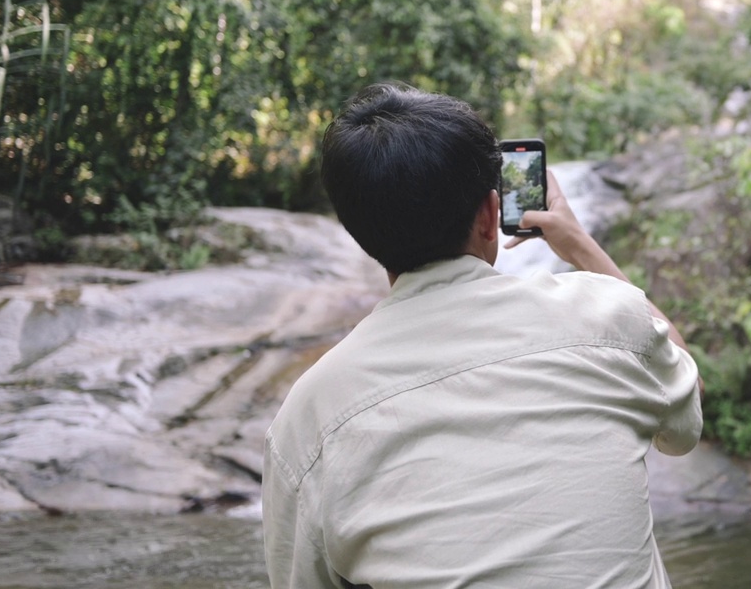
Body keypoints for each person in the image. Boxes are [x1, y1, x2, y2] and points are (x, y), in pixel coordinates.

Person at [262, 83, 703, 589]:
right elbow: (688, 412)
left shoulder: (306, 419)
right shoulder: (607, 316)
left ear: (359, 231)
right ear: (492, 215)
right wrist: (579, 244)